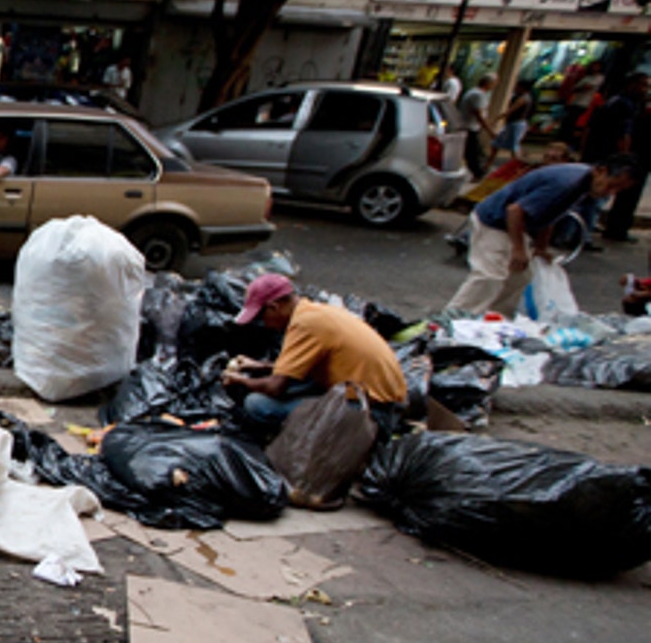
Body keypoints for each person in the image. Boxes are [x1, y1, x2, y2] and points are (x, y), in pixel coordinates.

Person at [444, 154, 640, 315]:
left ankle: (494, 319)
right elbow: (515, 211)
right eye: (611, 185)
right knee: (491, 275)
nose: (610, 193)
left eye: (617, 190)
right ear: (601, 171)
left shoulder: (582, 185)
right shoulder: (567, 182)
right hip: (495, 221)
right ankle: (453, 319)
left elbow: (551, 215)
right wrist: (519, 249)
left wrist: (540, 247)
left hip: (515, 224)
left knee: (520, 277)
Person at [220, 274, 408, 436]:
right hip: (383, 401)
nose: (265, 325)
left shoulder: (305, 325)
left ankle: (287, 445)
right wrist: (259, 365)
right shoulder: (313, 312)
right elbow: (302, 367)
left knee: (256, 405)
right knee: (297, 384)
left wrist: (239, 380)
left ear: (274, 307)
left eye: (262, 318)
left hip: (370, 412)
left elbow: (275, 387)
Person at [593, 72, 650, 242]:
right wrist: (626, 157)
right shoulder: (626, 105)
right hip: (624, 156)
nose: (645, 90)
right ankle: (615, 228)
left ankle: (607, 225)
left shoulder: (620, 102)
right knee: (617, 192)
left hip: (613, 154)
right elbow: (624, 134)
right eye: (643, 85)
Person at [459, 73, 498, 179]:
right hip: (469, 127)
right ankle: (478, 172)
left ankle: (479, 170)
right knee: (472, 152)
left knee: (474, 150)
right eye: (493, 83)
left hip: (471, 126)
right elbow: (479, 114)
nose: (494, 86)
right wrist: (490, 131)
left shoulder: (475, 93)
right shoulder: (478, 95)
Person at [490, 80, 534, 165]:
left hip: (517, 124)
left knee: (514, 146)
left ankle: (516, 165)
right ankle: (489, 163)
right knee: (498, 143)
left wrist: (497, 118)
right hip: (514, 123)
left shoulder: (523, 98)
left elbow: (511, 110)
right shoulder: (523, 97)